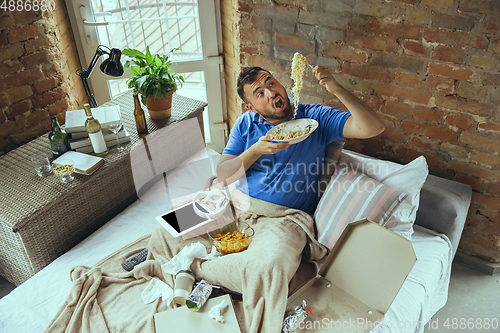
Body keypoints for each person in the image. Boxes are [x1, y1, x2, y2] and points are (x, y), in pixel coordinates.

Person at [216, 65, 385, 215]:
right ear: (251, 108)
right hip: (238, 203)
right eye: (260, 93)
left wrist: (336, 89)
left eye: (271, 83)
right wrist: (255, 150)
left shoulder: (315, 118)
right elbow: (223, 177)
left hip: (283, 217)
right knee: (191, 225)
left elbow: (374, 128)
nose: (271, 92)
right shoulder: (245, 123)